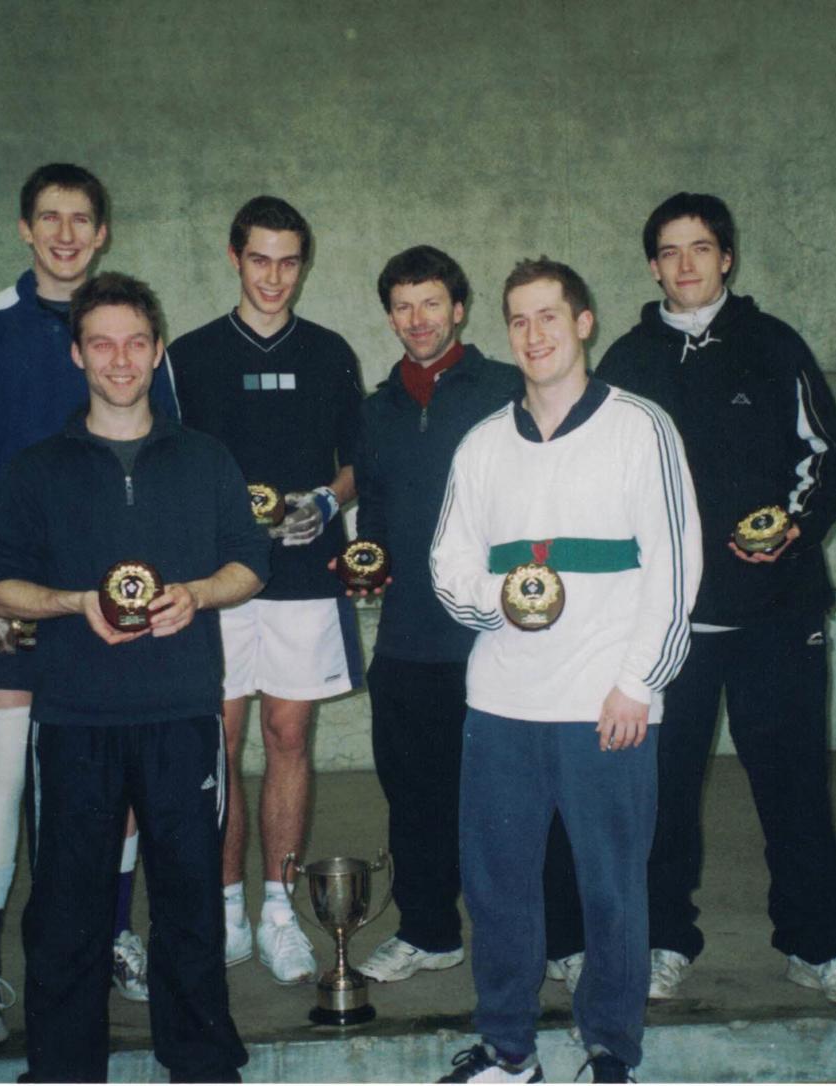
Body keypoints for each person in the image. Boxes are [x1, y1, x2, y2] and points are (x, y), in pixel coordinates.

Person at [591, 192, 836, 1005]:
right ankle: (661, 942)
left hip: (776, 617)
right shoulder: (627, 361)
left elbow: (830, 455)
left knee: (792, 787)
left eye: (702, 248)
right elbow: (599, 478)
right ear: (652, 266)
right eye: (671, 252)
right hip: (669, 626)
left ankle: (818, 948)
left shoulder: (774, 344)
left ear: (727, 258)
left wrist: (797, 526)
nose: (687, 265)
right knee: (663, 794)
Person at [0, 271, 262, 1083]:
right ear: (78, 354)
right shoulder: (39, 469)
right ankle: (64, 1069)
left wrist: (197, 594)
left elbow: (252, 561)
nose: (120, 358)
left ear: (158, 349)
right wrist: (72, 601)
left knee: (190, 904)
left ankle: (202, 1061)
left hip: (180, 714)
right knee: (66, 910)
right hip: (74, 720)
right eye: (101, 341)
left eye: (136, 341)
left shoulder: (205, 458)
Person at [431, 259, 701, 1083]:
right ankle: (509, 1050)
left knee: (612, 888)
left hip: (605, 705)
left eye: (550, 316)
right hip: (503, 705)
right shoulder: (482, 446)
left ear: (584, 322)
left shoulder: (640, 428)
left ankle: (611, 1049)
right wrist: (499, 603)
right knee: (498, 888)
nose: (535, 334)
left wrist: (639, 683)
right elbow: (448, 565)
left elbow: (675, 567)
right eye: (519, 320)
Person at [0, 163, 155, 1044]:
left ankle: (114, 937)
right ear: (26, 228)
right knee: (4, 763)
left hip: (115, 602)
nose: (66, 233)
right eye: (49, 218)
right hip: (13, 596)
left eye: (82, 220)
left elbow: (160, 458)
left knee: (124, 776)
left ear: (103, 232)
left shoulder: (128, 329)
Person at [165, 196, 364, 984]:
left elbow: (356, 463)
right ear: (234, 257)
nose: (274, 277)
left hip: (305, 580)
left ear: (302, 264)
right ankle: (225, 911)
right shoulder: (187, 356)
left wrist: (327, 500)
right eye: (260, 259)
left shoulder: (332, 353)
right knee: (220, 742)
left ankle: (280, 907)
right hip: (214, 586)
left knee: (288, 739)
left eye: (289, 261)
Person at [345, 246, 523, 985]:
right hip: (410, 642)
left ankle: (547, 938)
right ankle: (428, 930)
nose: (418, 320)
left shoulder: (510, 389)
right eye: (403, 306)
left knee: (516, 802)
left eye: (431, 303)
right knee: (414, 796)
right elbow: (377, 515)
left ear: (459, 307)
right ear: (390, 315)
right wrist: (367, 564)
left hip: (502, 638)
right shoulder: (376, 410)